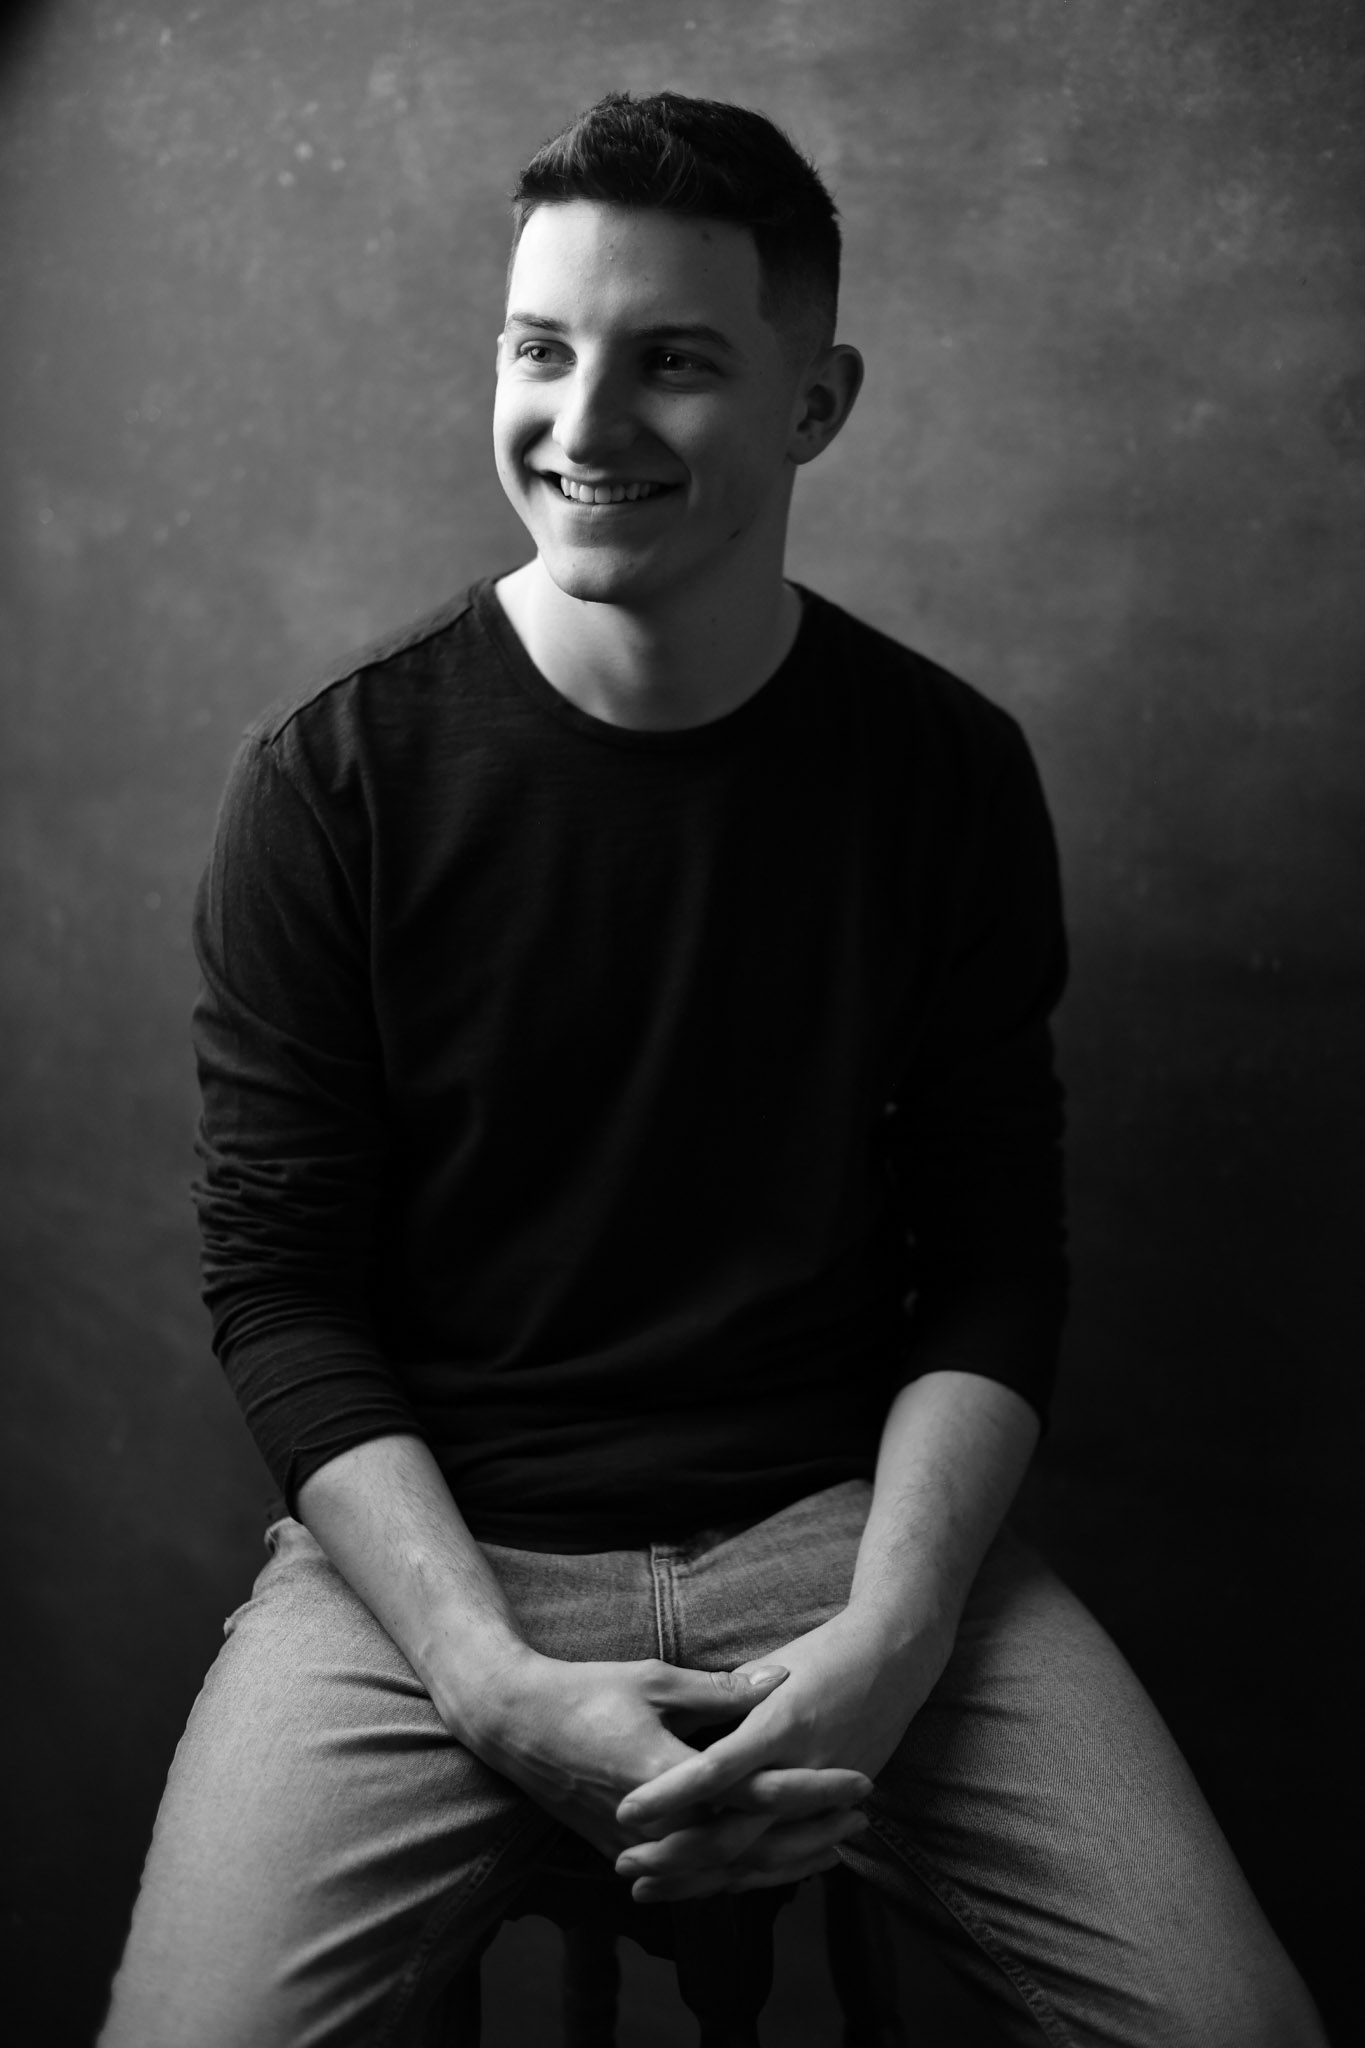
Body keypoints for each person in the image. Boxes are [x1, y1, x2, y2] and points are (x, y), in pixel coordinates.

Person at [100, 91, 1325, 2047]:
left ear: (812, 402)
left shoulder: (942, 771)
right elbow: (280, 1288)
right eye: (538, 349)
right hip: (429, 1572)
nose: (580, 423)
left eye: (669, 361)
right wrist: (488, 1679)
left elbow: (991, 1265)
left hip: (847, 1538)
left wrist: (894, 1637)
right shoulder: (327, 782)